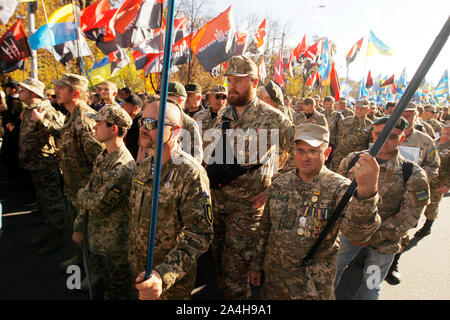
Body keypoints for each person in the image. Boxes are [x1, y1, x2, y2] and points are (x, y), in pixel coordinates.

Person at [249, 123, 381, 299]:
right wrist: (256, 264)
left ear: (326, 154)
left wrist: (367, 192)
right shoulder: (280, 183)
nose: (305, 157)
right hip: (274, 277)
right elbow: (265, 227)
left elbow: (357, 235)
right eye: (300, 150)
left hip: (311, 284)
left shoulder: (339, 188)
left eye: (313, 151)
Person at [207, 55, 295, 299]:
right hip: (218, 201)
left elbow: (302, 155)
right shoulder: (223, 114)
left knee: (236, 272)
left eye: (239, 81)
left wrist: (274, 188)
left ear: (254, 82)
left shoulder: (273, 118)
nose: (231, 86)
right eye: (229, 80)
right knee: (217, 263)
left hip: (246, 209)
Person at [335, 116, 430, 300]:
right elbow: (338, 196)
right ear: (372, 133)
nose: (386, 140)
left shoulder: (412, 172)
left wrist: (371, 235)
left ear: (402, 138)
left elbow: (410, 215)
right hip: (350, 234)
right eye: (380, 134)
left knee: (370, 286)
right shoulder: (353, 160)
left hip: (384, 243)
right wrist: (355, 231)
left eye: (393, 136)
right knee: (331, 274)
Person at [128, 100, 213, 300]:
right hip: (139, 272)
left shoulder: (190, 173)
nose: (143, 129)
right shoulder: (142, 167)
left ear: (175, 131)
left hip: (170, 284)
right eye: (142, 121)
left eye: (151, 124)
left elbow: (200, 235)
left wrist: (163, 275)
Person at [31, 73, 105, 271]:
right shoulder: (72, 116)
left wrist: (92, 192)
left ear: (76, 93)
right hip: (74, 187)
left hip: (86, 189)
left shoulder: (86, 120)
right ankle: (81, 259)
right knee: (78, 229)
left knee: (90, 232)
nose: (56, 91)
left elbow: (100, 161)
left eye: (61, 88)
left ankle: (94, 271)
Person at [72, 104, 135, 300]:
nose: (94, 127)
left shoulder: (123, 166)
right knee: (104, 286)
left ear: (114, 128)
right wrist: (80, 225)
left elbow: (98, 203)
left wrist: (81, 196)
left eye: (98, 123)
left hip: (114, 246)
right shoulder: (103, 156)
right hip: (96, 238)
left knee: (118, 291)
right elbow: (90, 191)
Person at [384, 102, 440, 285]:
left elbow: (434, 166)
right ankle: (372, 258)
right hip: (385, 191)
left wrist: (417, 177)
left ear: (418, 115)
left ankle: (393, 265)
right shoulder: (386, 135)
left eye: (411, 115)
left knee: (401, 230)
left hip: (409, 195)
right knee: (378, 224)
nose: (407, 118)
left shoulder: (425, 140)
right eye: (404, 114)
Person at [17, 78, 67, 256]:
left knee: (52, 200)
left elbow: (61, 130)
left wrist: (41, 121)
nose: (18, 93)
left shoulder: (44, 110)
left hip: (45, 164)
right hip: (34, 164)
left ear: (32, 93)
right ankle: (51, 231)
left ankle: (59, 236)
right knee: (44, 200)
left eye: (22, 90)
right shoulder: (28, 110)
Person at [166, 82, 203, 164]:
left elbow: (197, 154)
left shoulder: (189, 124)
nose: (166, 102)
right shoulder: (158, 118)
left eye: (169, 98)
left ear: (181, 100)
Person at [193, 84, 228, 149]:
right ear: (210, 97)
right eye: (217, 97)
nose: (221, 101)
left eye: (224, 97)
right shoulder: (198, 116)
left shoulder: (230, 118)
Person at [120, 93, 144, 160]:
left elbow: (142, 148)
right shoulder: (128, 121)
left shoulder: (141, 123)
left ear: (135, 108)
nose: (121, 107)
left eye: (126, 105)